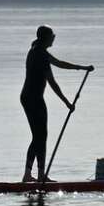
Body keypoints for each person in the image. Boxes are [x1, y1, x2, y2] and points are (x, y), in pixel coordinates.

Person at [21, 26, 93, 183]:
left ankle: (31, 175)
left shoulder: (37, 50)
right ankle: (37, 175)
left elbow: (59, 63)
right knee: (40, 136)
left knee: (39, 136)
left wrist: (82, 68)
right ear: (45, 37)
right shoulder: (40, 55)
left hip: (29, 97)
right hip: (33, 99)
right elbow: (52, 82)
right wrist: (67, 102)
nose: (54, 37)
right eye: (52, 35)